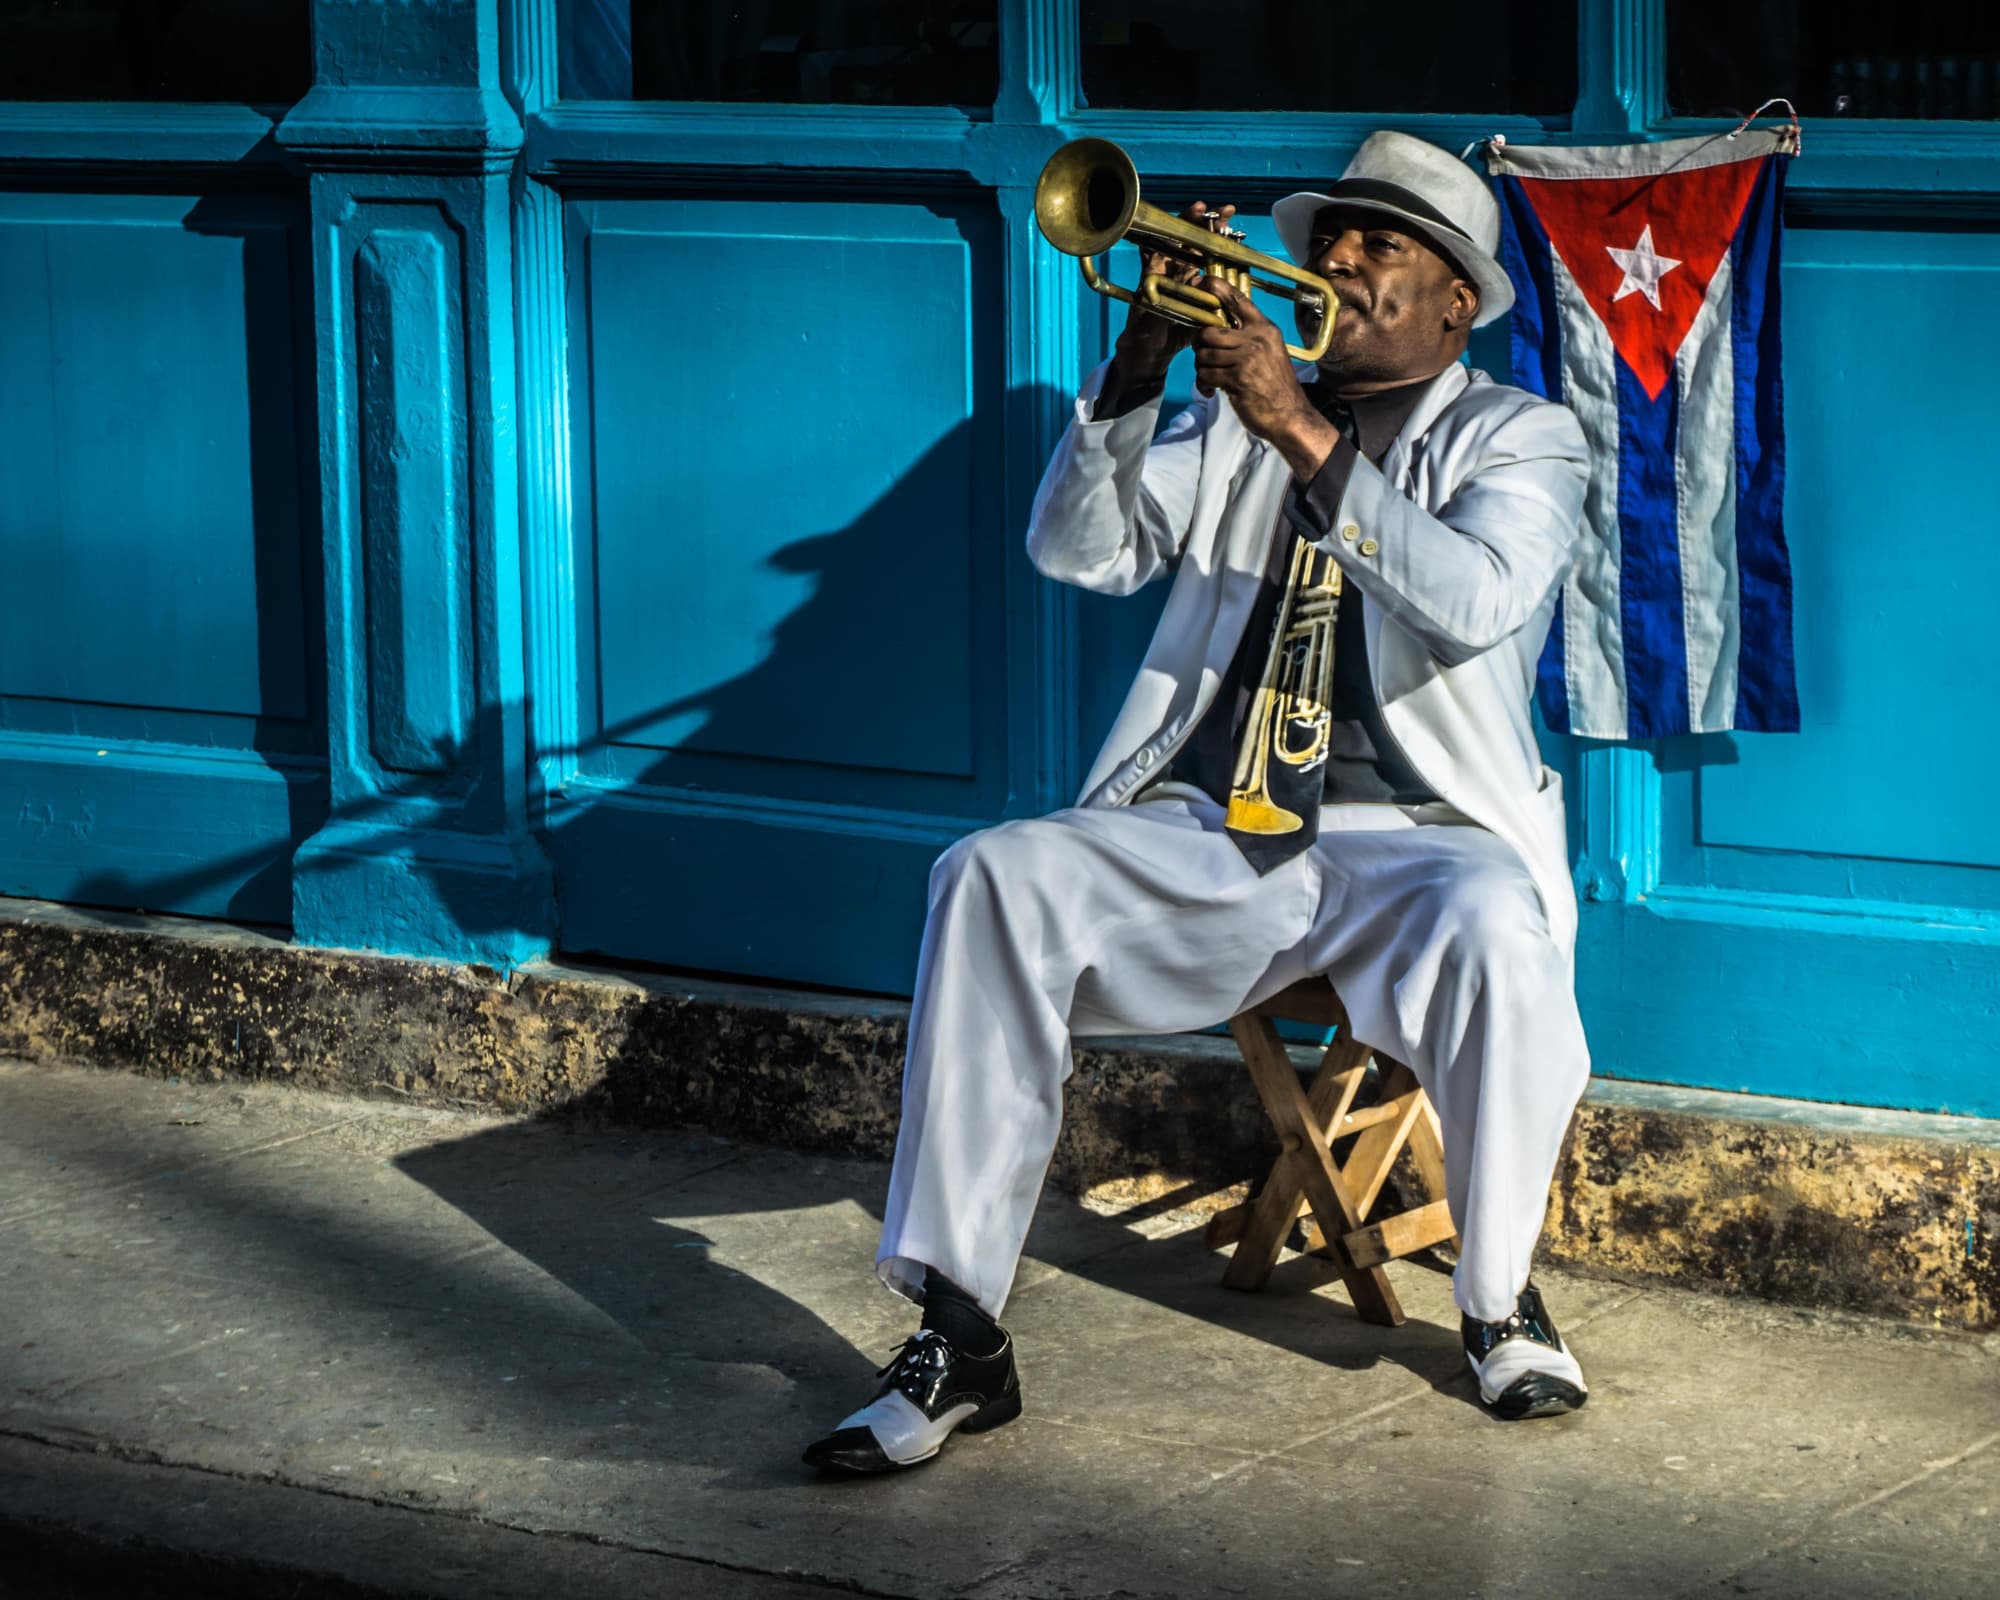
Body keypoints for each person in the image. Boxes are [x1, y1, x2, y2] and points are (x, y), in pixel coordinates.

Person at [804, 132, 1595, 1476]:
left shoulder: (1520, 433)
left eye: (1375, 245)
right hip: (1212, 828)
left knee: (1500, 929)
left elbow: (1473, 597)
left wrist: (1296, 424)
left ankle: (1500, 1297)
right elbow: (1080, 549)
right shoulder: (1231, 418)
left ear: (1458, 297)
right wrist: (1140, 369)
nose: (1334, 262)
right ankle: (958, 1330)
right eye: (1328, 237)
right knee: (988, 873)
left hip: (1418, 843)